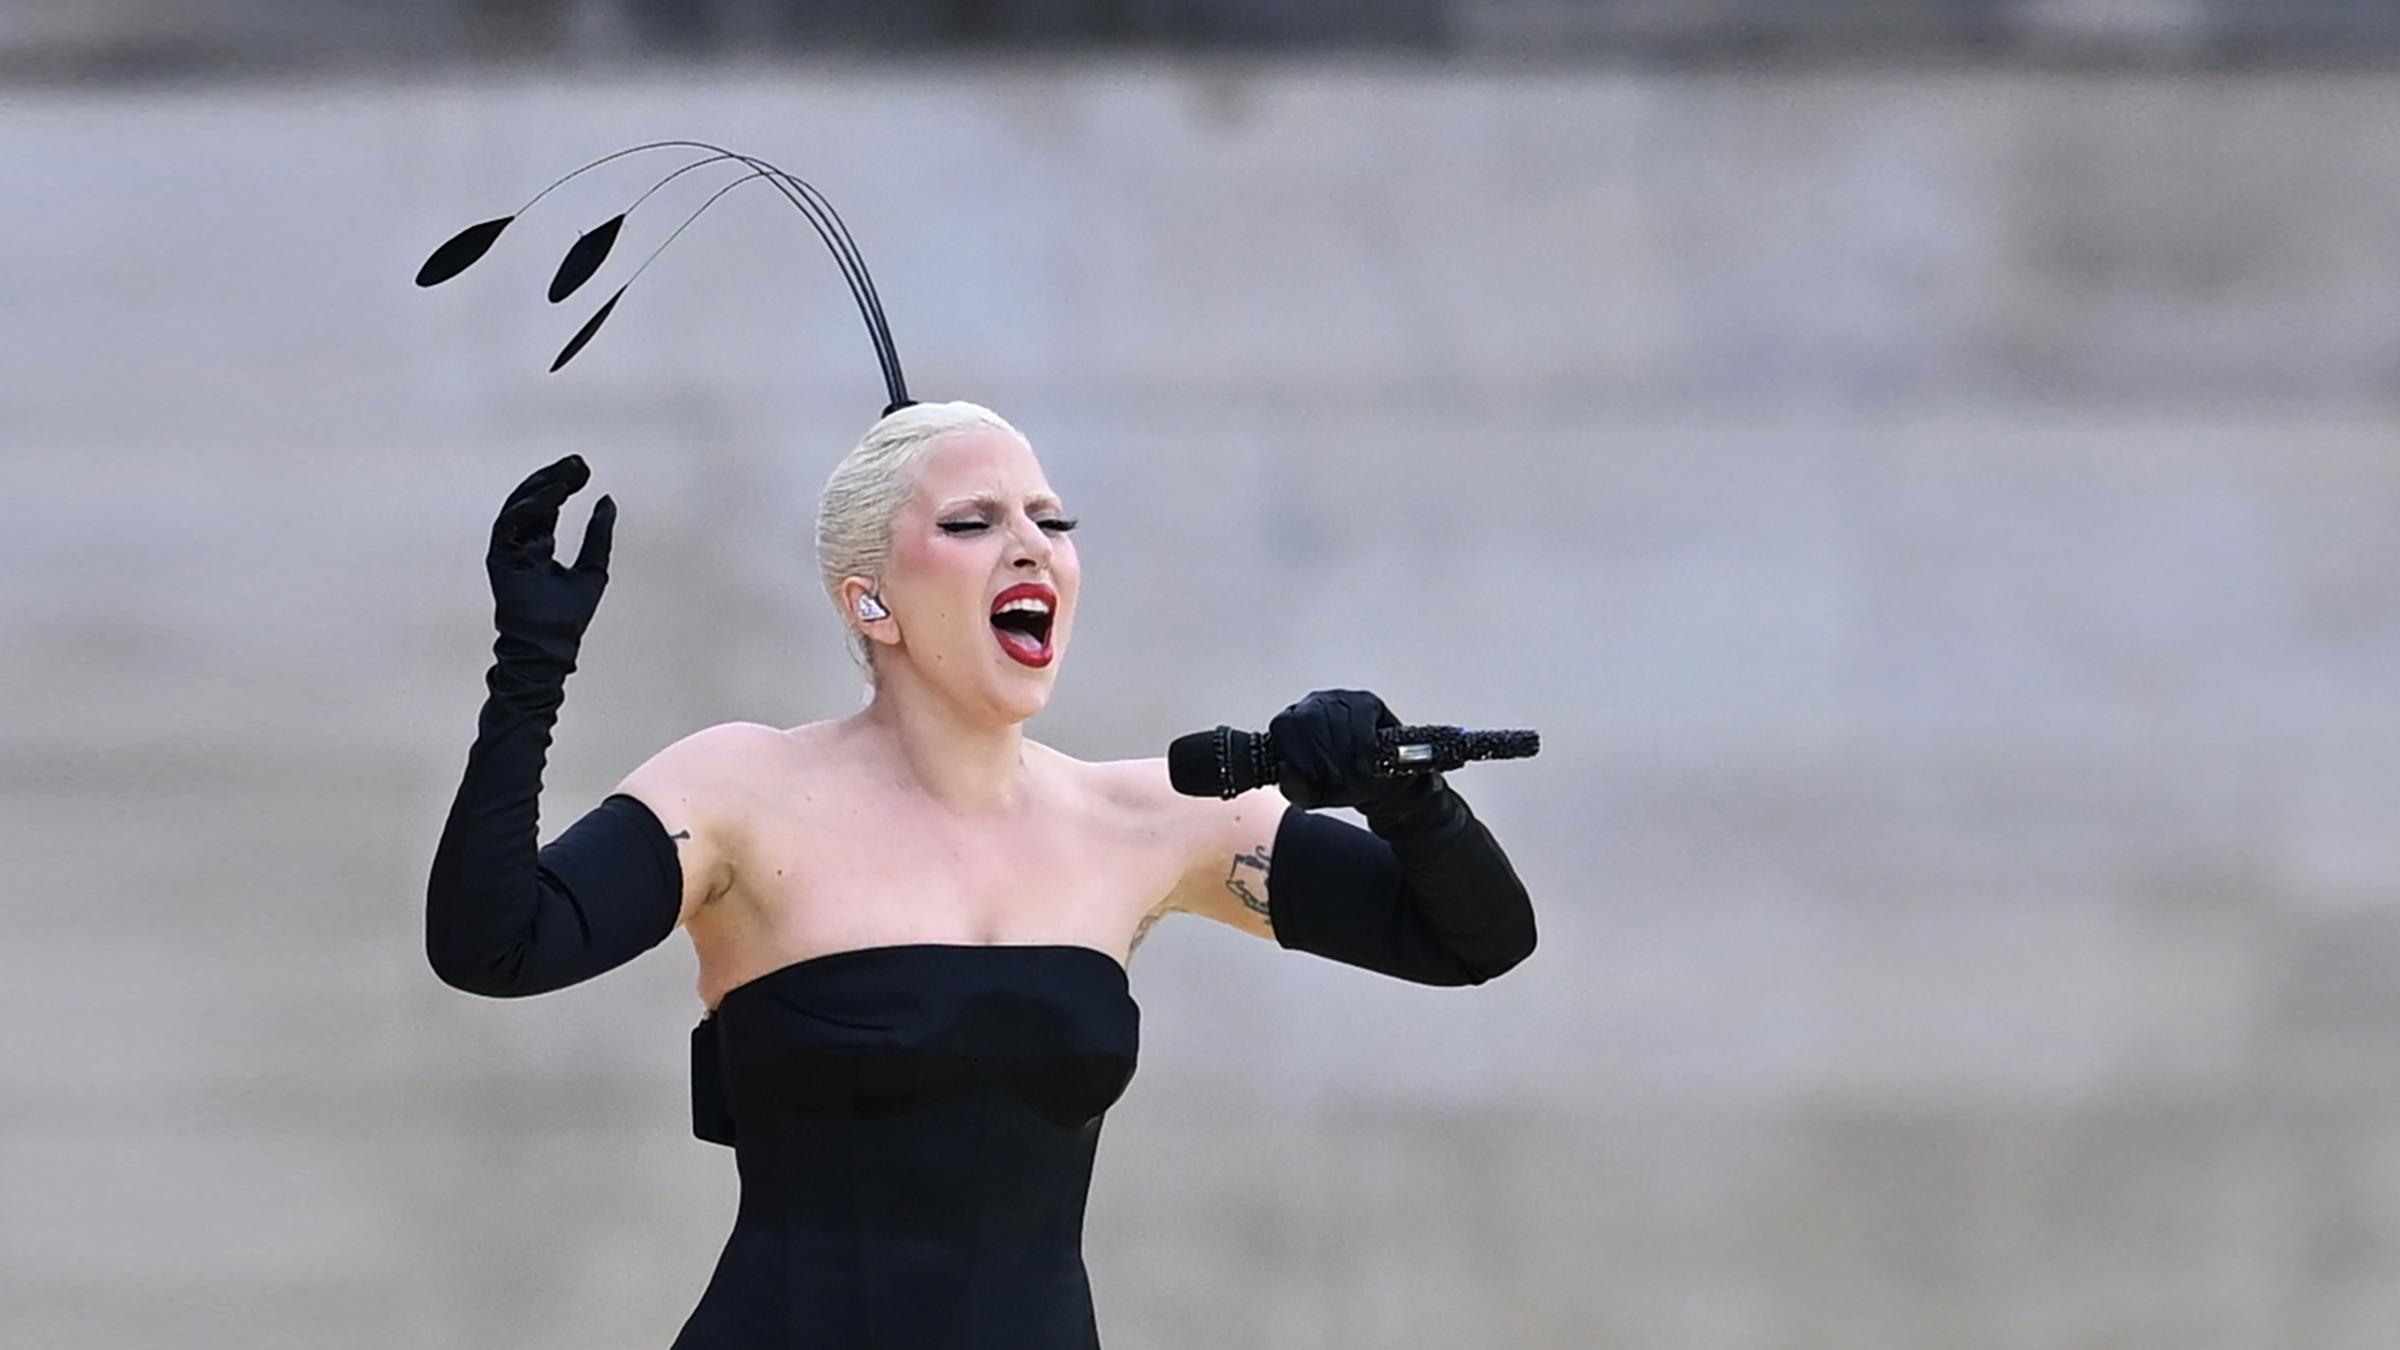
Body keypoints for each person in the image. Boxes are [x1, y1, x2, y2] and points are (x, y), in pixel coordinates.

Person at [423, 398, 1538, 1348]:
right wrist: (531, 665)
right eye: (972, 522)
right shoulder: (740, 792)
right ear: (870, 601)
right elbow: (496, 942)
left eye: (1052, 522)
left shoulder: (1153, 816)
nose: (1032, 546)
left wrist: (1406, 794)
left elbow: (1472, 939)